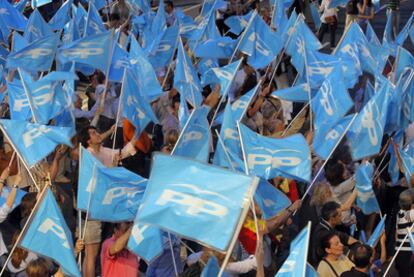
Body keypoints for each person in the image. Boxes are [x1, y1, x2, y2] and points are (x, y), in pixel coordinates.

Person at [310, 201, 358, 267]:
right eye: (339, 215)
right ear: (332, 218)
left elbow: (349, 240)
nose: (341, 217)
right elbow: (343, 249)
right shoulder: (323, 233)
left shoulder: (331, 224)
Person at [394, 189, 414, 277]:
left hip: (399, 251)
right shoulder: (411, 214)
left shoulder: (399, 213)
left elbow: (396, 233)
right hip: (410, 252)